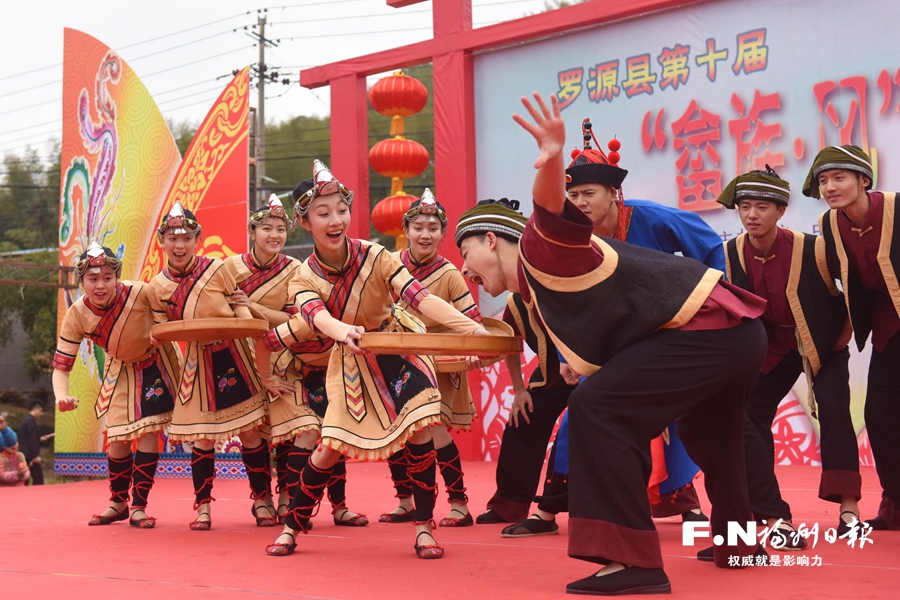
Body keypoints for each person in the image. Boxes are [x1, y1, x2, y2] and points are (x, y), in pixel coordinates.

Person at [458, 91, 768, 595]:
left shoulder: (540, 248)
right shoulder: (537, 293)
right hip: (732, 333)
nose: (464, 268)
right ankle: (741, 543)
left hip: (711, 326)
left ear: (493, 240)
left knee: (596, 410)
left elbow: (548, 207)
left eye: (465, 249)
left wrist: (552, 157)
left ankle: (633, 561)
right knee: (712, 434)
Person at [499, 119, 720, 537]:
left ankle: (687, 506)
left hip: (663, 332)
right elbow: (564, 302)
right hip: (608, 339)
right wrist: (566, 356)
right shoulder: (570, 238)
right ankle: (548, 510)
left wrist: (708, 307)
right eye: (573, 193)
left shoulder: (651, 218)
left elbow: (710, 249)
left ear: (613, 193)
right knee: (580, 415)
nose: (579, 201)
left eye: (588, 193)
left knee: (673, 417)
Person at [259, 160, 489, 559]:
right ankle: (292, 527)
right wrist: (343, 332)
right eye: (323, 213)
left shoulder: (376, 256)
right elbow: (317, 316)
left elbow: (421, 297)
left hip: (397, 347)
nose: (336, 220)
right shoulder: (303, 277)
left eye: (341, 210)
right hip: (349, 362)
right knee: (329, 446)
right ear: (305, 221)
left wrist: (473, 330)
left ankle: (423, 528)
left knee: (421, 429)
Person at [717, 167, 857, 545]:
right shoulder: (730, 253)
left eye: (762, 207)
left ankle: (849, 509)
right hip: (768, 349)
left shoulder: (814, 247)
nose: (751, 215)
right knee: (747, 416)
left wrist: (841, 339)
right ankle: (771, 515)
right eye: (745, 207)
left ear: (780, 211)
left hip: (822, 343)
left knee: (833, 407)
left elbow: (853, 293)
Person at [226, 194, 365, 527]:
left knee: (316, 427)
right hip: (242, 360)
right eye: (267, 228)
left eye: (280, 229)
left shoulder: (294, 270)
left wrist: (255, 308)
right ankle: (261, 500)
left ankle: (304, 500)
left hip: (282, 357)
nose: (274, 235)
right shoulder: (229, 268)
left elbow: (294, 318)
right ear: (252, 231)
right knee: (251, 433)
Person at [149, 202, 284, 530]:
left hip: (235, 355)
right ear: (162, 242)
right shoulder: (158, 287)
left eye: (186, 239)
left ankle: (263, 501)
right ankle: (203, 507)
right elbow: (159, 331)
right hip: (197, 362)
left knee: (252, 434)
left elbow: (240, 309)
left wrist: (248, 327)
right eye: (171, 238)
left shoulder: (217, 269)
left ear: (197, 240)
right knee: (202, 439)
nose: (179, 245)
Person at [52, 241, 181, 527]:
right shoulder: (77, 314)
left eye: (107, 278)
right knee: (118, 437)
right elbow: (61, 366)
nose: (101, 285)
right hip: (120, 367)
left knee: (147, 430)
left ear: (116, 277)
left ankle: (139, 506)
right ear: (82, 280)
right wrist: (61, 395)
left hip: (155, 363)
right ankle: (119, 502)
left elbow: (175, 303)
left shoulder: (138, 292)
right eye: (93, 279)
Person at [807, 145, 900, 531]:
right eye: (823, 181)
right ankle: (896, 502)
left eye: (839, 178)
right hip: (888, 329)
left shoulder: (896, 208)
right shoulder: (831, 223)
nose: (829, 187)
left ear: (864, 180)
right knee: (879, 415)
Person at [381, 189, 483, 527]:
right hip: (395, 363)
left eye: (433, 228)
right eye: (419, 227)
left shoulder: (451, 274)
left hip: (438, 365)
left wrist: (472, 352)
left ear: (442, 233)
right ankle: (405, 501)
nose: (426, 234)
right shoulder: (389, 265)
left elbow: (473, 322)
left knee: (434, 430)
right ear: (406, 229)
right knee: (395, 432)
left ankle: (459, 504)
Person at [17, 400, 49, 486]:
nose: (40, 414)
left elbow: (29, 438)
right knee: (38, 477)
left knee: (26, 477)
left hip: (25, 454)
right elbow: (32, 440)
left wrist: (40, 439)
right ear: (36, 409)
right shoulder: (31, 422)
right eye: (40, 411)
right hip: (30, 455)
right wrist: (36, 456)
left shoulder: (26, 420)